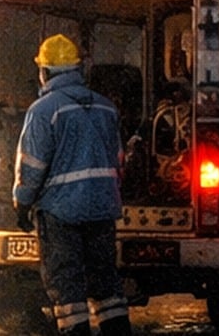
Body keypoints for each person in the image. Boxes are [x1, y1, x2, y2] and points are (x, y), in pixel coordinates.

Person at [13, 35, 131, 336]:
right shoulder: (106, 108)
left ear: (46, 72)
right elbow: (118, 159)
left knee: (67, 288)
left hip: (61, 213)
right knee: (106, 284)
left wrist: (22, 202)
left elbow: (32, 165)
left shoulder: (42, 111)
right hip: (103, 209)